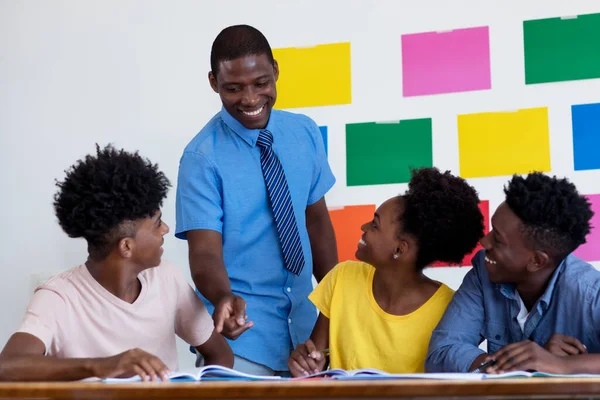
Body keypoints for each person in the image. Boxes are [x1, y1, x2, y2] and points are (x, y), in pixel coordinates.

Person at [175, 24, 338, 375]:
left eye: (261, 83)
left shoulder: (304, 132)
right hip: (242, 341)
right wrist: (222, 298)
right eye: (233, 88)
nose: (250, 99)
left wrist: (338, 302)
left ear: (276, 71)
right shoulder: (201, 158)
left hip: (309, 336)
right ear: (213, 82)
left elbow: (316, 222)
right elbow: (203, 252)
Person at [0, 144, 233, 382]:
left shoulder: (167, 279)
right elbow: (6, 367)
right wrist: (101, 367)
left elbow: (220, 355)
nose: (165, 229)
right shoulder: (58, 297)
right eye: (157, 223)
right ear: (126, 247)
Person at [287, 167, 485, 376]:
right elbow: (316, 360)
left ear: (400, 249)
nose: (363, 226)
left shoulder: (449, 309)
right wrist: (307, 364)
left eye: (374, 225)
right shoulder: (342, 277)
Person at [426, 172, 600, 374]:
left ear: (536, 261)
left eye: (498, 240)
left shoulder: (591, 294)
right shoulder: (484, 272)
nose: (484, 243)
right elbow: (441, 353)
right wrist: (524, 364)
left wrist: (561, 365)